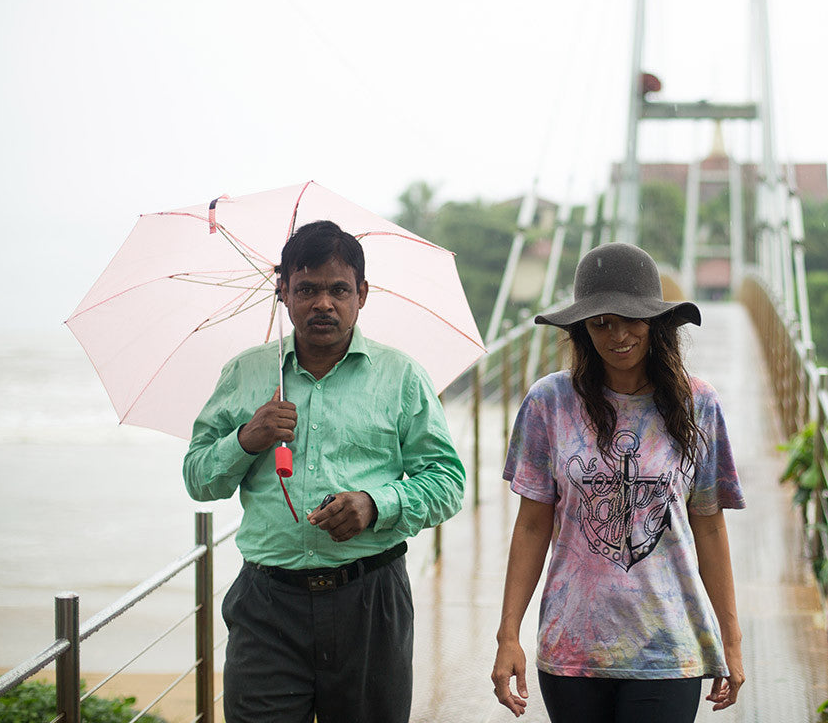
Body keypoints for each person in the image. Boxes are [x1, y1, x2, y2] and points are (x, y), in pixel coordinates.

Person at [184, 219, 465, 723]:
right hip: (267, 605)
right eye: (306, 289)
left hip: (370, 601)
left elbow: (447, 481)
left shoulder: (401, 377)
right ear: (283, 292)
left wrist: (376, 504)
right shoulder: (246, 375)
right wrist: (247, 439)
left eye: (338, 290)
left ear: (362, 294)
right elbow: (199, 479)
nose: (323, 304)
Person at [491, 242, 746, 722]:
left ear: (657, 322)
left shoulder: (699, 406)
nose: (617, 335)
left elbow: (709, 528)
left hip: (668, 646)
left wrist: (731, 641)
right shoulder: (551, 402)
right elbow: (531, 527)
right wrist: (508, 636)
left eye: (631, 319)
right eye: (600, 322)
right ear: (583, 330)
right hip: (573, 648)